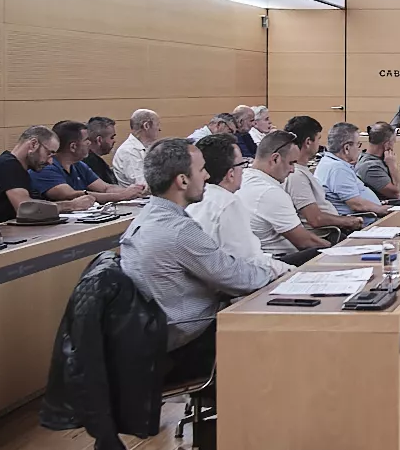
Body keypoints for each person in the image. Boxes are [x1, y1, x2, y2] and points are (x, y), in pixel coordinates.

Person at [119, 138, 288, 383]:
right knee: (282, 332)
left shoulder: (146, 219)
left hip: (157, 338)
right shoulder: (177, 230)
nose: (208, 176)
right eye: (201, 170)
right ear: (182, 180)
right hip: (188, 342)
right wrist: (279, 273)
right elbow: (236, 278)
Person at [0, 126, 94, 225]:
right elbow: (25, 209)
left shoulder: (20, 169)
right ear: (33, 144)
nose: (50, 161)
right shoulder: (7, 165)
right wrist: (71, 205)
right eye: (49, 153)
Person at [187, 133, 274, 265]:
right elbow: (250, 261)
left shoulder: (192, 197)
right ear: (231, 174)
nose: (244, 170)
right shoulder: (227, 203)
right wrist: (287, 269)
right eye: (242, 164)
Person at [242, 129, 330, 255]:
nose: (293, 170)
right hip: (281, 260)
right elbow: (305, 242)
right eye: (291, 163)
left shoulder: (245, 178)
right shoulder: (269, 192)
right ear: (275, 159)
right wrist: (336, 250)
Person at [29, 120, 146, 204]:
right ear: (73, 146)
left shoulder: (79, 165)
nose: (90, 143)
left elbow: (105, 188)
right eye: (86, 140)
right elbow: (70, 195)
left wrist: (135, 191)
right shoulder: (45, 167)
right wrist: (121, 196)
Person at [316, 123, 387, 217]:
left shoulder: (328, 161)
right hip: (363, 224)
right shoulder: (338, 169)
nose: (359, 149)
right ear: (347, 148)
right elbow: (356, 204)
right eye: (358, 144)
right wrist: (382, 209)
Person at [112, 109, 161, 188]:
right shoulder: (129, 151)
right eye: (157, 124)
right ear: (146, 126)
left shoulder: (144, 147)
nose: (159, 129)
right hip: (138, 198)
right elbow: (141, 185)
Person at [358, 123, 400, 201]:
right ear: (387, 145)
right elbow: (397, 195)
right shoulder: (371, 168)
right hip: (392, 210)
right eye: (393, 142)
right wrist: (392, 167)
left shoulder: (376, 159)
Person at [83, 116, 121, 185]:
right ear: (99, 140)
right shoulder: (91, 164)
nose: (114, 141)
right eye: (112, 137)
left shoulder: (96, 161)